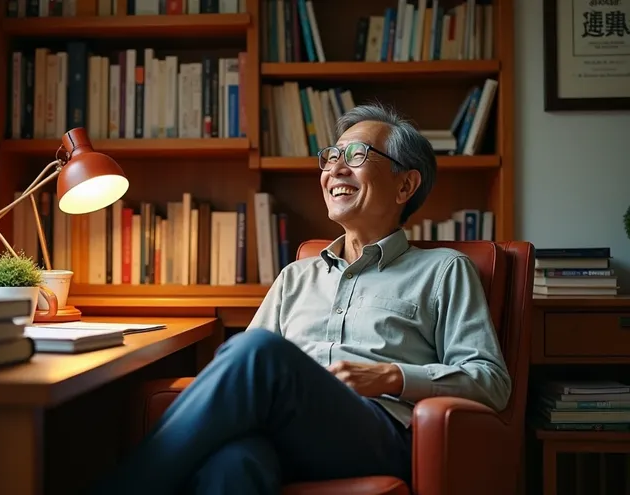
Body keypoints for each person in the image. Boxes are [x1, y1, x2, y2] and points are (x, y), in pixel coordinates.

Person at [89, 103, 511, 494]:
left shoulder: (443, 270)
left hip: (377, 435)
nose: (336, 169)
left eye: (357, 156)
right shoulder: (296, 276)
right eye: (331, 158)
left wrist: (390, 376)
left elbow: (490, 381)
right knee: (233, 464)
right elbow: (239, 374)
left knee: (259, 351)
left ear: (405, 185)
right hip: (287, 433)